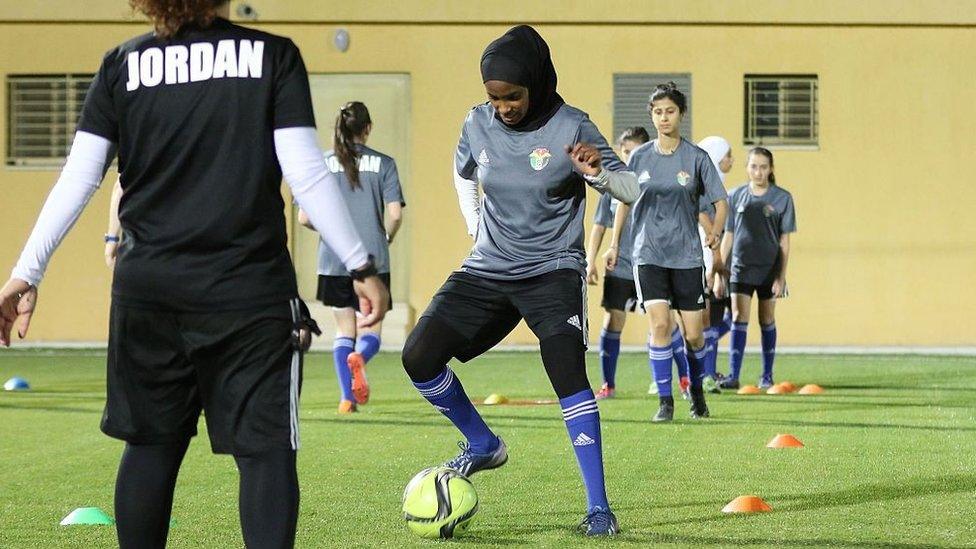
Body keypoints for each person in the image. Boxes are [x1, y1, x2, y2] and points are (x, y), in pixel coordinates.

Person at [0, 2, 389, 547]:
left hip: (149, 294)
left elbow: (80, 177)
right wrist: (361, 263)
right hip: (249, 294)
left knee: (151, 448)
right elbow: (304, 172)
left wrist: (25, 271)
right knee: (264, 453)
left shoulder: (122, 65)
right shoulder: (271, 56)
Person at [400, 25, 638, 536]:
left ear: (537, 83)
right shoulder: (477, 122)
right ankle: (482, 444)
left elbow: (631, 187)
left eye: (513, 96)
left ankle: (599, 508)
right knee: (418, 354)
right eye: (495, 98)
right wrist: (474, 226)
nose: (504, 107)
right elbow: (463, 171)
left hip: (552, 268)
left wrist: (596, 173)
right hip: (489, 266)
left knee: (566, 369)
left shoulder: (572, 125)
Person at [608, 82, 728, 422]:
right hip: (648, 255)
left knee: (693, 334)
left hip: (687, 256)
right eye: (658, 112)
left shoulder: (696, 158)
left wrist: (715, 232)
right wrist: (615, 244)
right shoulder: (640, 157)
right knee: (660, 325)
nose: (664, 118)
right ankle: (665, 400)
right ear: (652, 115)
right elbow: (624, 202)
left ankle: (698, 393)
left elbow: (721, 202)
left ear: (681, 114)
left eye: (670, 111)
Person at [298, 101, 404, 414]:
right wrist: (387, 236)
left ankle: (347, 398)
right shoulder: (383, 163)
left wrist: (332, 232)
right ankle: (361, 357)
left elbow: (304, 217)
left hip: (332, 258)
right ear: (368, 129)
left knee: (344, 329)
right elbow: (395, 214)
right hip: (371, 259)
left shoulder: (321, 163)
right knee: (371, 329)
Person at [717, 147, 796, 389]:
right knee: (739, 317)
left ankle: (766, 375)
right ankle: (733, 375)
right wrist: (719, 271)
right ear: (747, 168)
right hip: (740, 269)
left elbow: (784, 240)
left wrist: (781, 276)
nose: (758, 171)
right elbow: (728, 234)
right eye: (753, 166)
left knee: (766, 318)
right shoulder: (735, 196)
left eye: (763, 167)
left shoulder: (783, 198)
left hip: (769, 270)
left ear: (770, 169)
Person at [586, 126, 648, 400]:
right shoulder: (612, 186)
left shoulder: (654, 183)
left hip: (651, 262)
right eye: (624, 152)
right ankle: (608, 385)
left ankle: (681, 383)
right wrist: (590, 262)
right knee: (614, 320)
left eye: (633, 152)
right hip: (620, 263)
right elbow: (599, 226)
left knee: (665, 323)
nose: (628, 157)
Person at [696, 136, 734, 392]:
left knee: (711, 319)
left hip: (711, 259)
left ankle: (707, 374)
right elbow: (706, 229)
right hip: (702, 259)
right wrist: (714, 266)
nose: (731, 160)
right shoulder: (706, 191)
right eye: (727, 155)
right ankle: (701, 374)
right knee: (702, 320)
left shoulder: (718, 188)